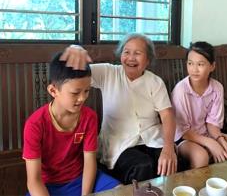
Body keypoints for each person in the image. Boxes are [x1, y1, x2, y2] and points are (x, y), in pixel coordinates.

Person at [60, 33, 177, 184]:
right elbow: (78, 71)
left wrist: (168, 148)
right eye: (126, 52)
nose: (131, 58)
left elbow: (167, 115)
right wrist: (75, 48)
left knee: (171, 161)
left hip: (152, 138)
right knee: (142, 166)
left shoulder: (155, 82)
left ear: (148, 60)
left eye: (137, 53)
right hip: (119, 143)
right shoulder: (109, 73)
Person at [23, 52, 120, 196]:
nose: (82, 98)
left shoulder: (89, 117)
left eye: (86, 91)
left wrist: (85, 194)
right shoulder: (35, 124)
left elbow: (89, 162)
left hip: (81, 179)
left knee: (121, 190)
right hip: (48, 186)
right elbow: (34, 181)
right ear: (53, 90)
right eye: (75, 93)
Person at [171, 41, 227, 169]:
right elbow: (183, 132)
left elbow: (212, 124)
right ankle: (197, 188)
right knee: (200, 156)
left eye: (200, 64)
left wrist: (220, 140)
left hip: (208, 133)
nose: (194, 69)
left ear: (212, 66)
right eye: (190, 63)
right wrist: (211, 144)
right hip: (185, 139)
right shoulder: (180, 90)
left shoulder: (217, 88)